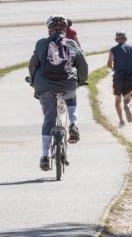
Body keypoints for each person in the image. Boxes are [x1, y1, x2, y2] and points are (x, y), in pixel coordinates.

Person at [28, 15, 88, 171]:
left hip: (45, 87)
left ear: (49, 29)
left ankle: (45, 157)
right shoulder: (72, 44)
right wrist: (81, 80)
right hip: (68, 85)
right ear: (65, 29)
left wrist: (34, 82)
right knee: (72, 94)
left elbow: (33, 66)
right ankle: (73, 124)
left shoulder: (41, 44)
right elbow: (83, 65)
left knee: (49, 120)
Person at [107, 31, 132, 127]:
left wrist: (113, 67)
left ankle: (121, 121)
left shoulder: (113, 50)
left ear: (116, 40)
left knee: (117, 100)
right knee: (127, 98)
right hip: (130, 77)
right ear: (126, 39)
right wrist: (131, 67)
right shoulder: (131, 49)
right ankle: (127, 106)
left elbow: (109, 63)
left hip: (118, 77)